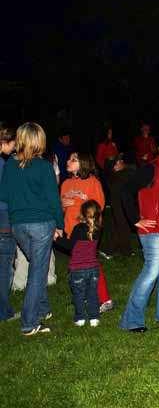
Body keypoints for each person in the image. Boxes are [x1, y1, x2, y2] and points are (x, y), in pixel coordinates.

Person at [0, 123, 64, 335]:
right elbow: (53, 199)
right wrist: (60, 225)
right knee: (38, 271)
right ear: (39, 141)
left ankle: (43, 309)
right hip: (41, 225)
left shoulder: (10, 164)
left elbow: (4, 195)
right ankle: (29, 322)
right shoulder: (43, 166)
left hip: (17, 225)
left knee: (37, 266)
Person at [119, 137, 159, 333]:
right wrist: (135, 219)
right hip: (153, 231)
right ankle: (132, 320)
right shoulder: (150, 169)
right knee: (152, 272)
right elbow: (126, 191)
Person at [60, 151, 113, 313]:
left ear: (82, 164)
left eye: (73, 159)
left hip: (87, 232)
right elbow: (62, 209)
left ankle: (104, 299)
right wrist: (62, 204)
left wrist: (84, 200)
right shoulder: (66, 183)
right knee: (79, 265)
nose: (68, 161)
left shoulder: (92, 182)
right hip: (71, 230)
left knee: (91, 264)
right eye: (69, 158)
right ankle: (86, 295)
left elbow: (99, 206)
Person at [53, 200, 103, 327]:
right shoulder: (98, 229)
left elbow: (71, 246)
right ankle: (94, 318)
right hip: (93, 269)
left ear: (82, 213)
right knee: (92, 293)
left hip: (78, 269)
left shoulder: (78, 228)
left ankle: (80, 318)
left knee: (78, 294)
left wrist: (57, 238)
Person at [0, 126, 18, 321]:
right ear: (4, 142)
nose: (14, 149)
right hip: (3, 219)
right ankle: (3, 312)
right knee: (4, 267)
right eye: (12, 144)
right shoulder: (2, 165)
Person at [104, 154, 134, 256]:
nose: (121, 161)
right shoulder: (120, 177)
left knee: (117, 223)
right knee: (121, 223)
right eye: (118, 161)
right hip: (120, 204)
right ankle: (125, 250)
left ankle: (113, 249)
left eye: (120, 160)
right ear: (115, 167)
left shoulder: (122, 175)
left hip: (122, 203)